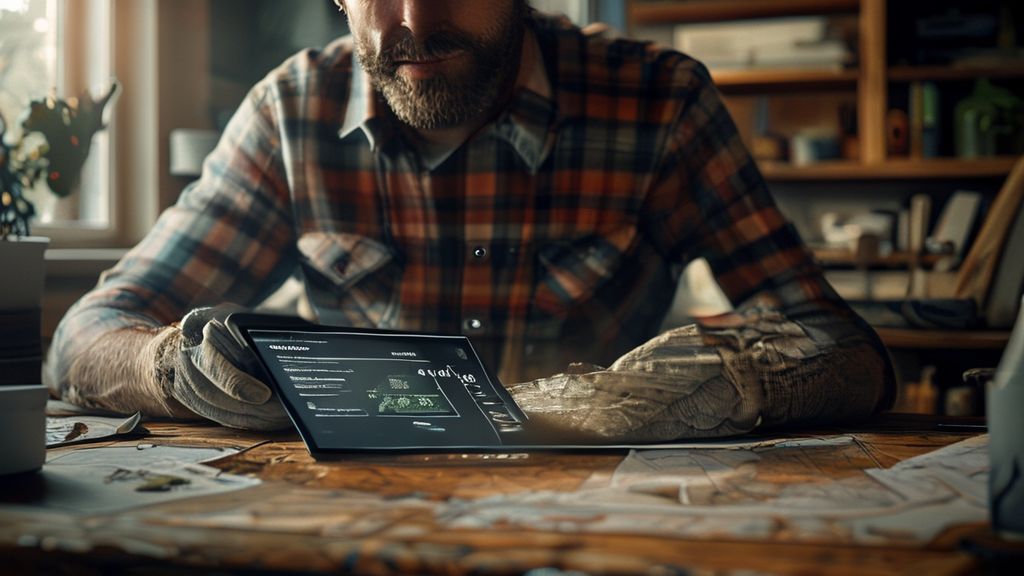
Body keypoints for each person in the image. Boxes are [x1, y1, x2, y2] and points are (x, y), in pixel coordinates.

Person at [46, 0, 895, 440]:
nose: (412, 22)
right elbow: (85, 336)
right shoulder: (290, 113)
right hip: (352, 526)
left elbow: (850, 352)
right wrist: (179, 370)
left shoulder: (658, 103)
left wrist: (732, 383)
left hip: (598, 528)